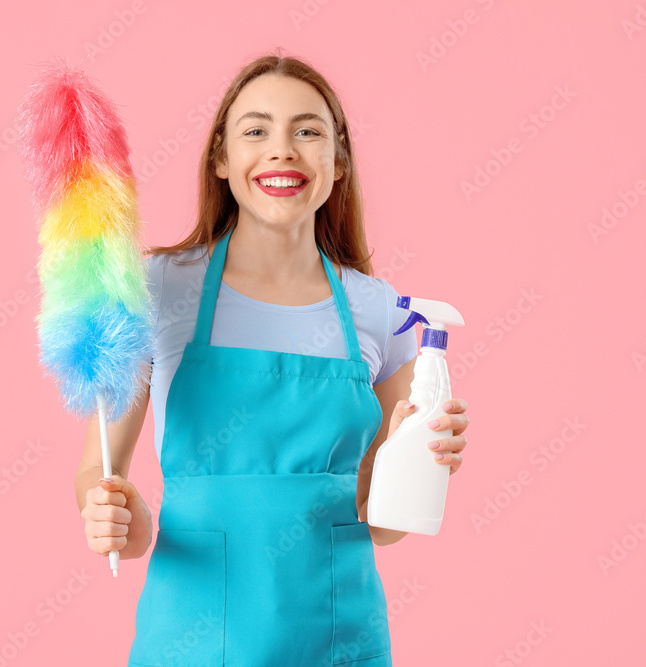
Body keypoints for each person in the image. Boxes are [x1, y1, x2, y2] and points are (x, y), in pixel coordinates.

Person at [75, 51, 471, 666]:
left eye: (308, 131)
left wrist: (419, 461)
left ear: (337, 163)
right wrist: (119, 521)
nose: (282, 150)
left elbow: (384, 525)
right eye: (256, 130)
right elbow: (102, 477)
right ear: (221, 159)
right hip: (191, 639)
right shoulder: (154, 290)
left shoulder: (381, 311)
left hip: (337, 643)